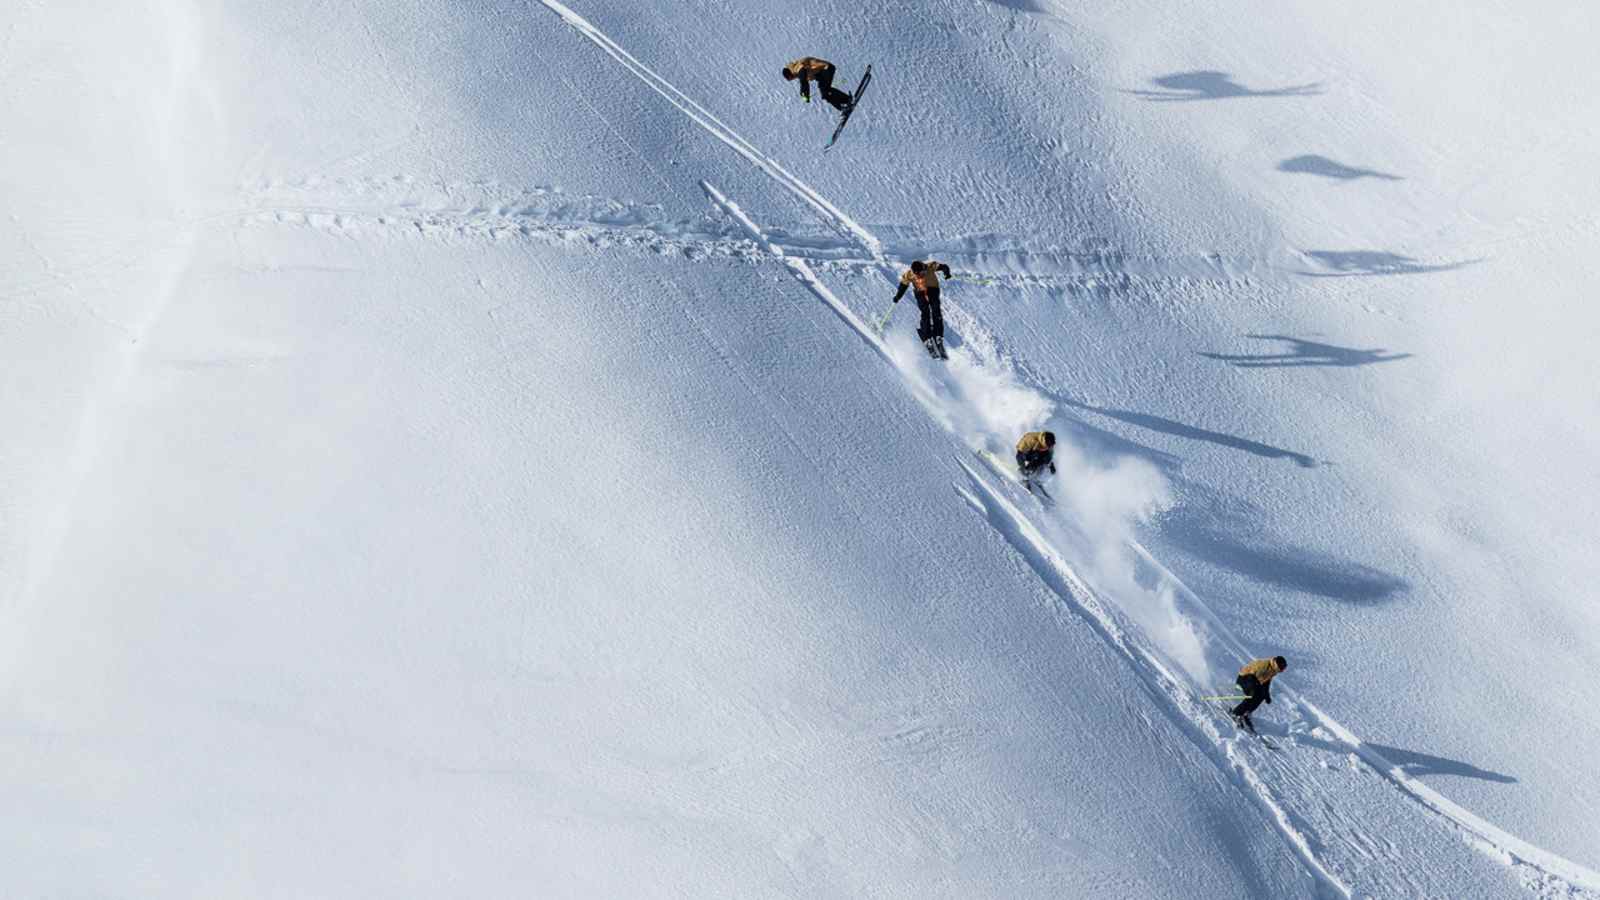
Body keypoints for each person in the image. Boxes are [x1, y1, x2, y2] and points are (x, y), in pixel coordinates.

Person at [892, 259, 953, 358]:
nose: (919, 276)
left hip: (932, 290)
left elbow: (944, 267)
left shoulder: (930, 266)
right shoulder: (909, 274)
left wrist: (947, 273)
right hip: (920, 293)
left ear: (923, 269)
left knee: (936, 311)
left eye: (921, 274)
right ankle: (927, 336)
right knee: (925, 313)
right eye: (917, 275)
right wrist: (898, 296)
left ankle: (938, 336)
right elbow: (903, 286)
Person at [1230, 655, 1288, 731]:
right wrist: (1255, 689)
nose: (1282, 670)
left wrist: (1266, 695)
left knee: (1261, 695)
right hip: (1244, 679)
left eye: (1284, 668)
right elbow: (1251, 675)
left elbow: (1266, 682)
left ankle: (1246, 713)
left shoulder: (1273, 669)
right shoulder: (1264, 666)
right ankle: (1236, 713)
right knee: (1253, 694)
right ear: (1277, 664)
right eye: (1282, 668)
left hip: (1253, 681)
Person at [782, 57, 853, 111]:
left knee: (825, 91)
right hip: (822, 73)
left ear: (790, 75)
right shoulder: (797, 70)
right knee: (825, 94)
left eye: (791, 78)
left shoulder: (797, 68)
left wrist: (804, 94)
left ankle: (846, 101)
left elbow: (803, 81)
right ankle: (845, 103)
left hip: (826, 69)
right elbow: (805, 78)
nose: (793, 79)